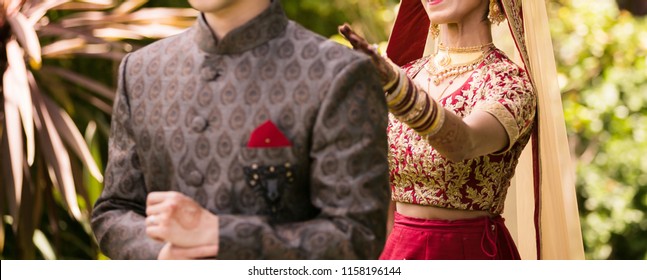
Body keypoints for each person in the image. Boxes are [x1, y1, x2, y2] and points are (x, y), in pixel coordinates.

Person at [91, 0, 390, 260]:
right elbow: (113, 210)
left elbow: (358, 236)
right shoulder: (142, 70)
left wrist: (221, 236)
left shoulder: (337, 74)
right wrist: (159, 256)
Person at [340, 0, 584, 259]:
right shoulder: (406, 75)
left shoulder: (509, 84)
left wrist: (400, 94)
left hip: (468, 253)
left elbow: (462, 143)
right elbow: (386, 200)